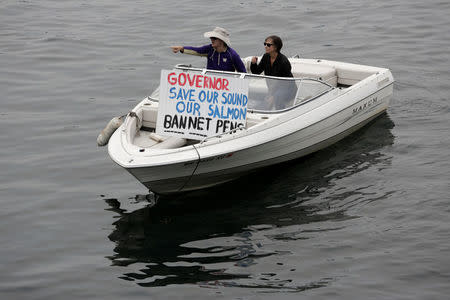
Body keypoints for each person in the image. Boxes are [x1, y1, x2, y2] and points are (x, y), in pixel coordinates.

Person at [170, 27, 247, 73]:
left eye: (214, 38)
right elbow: (197, 50)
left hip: (226, 86)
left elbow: (243, 73)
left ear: (221, 41)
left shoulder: (232, 55)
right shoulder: (210, 49)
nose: (211, 39)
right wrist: (182, 48)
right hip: (211, 84)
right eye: (211, 37)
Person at [250, 35, 297, 109]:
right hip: (273, 89)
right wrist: (253, 63)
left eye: (268, 45)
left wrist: (273, 96)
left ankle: (281, 114)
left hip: (288, 90)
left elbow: (285, 83)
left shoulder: (283, 61)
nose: (265, 46)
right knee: (261, 99)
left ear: (276, 47)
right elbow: (256, 72)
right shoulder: (266, 57)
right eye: (264, 44)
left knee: (278, 97)